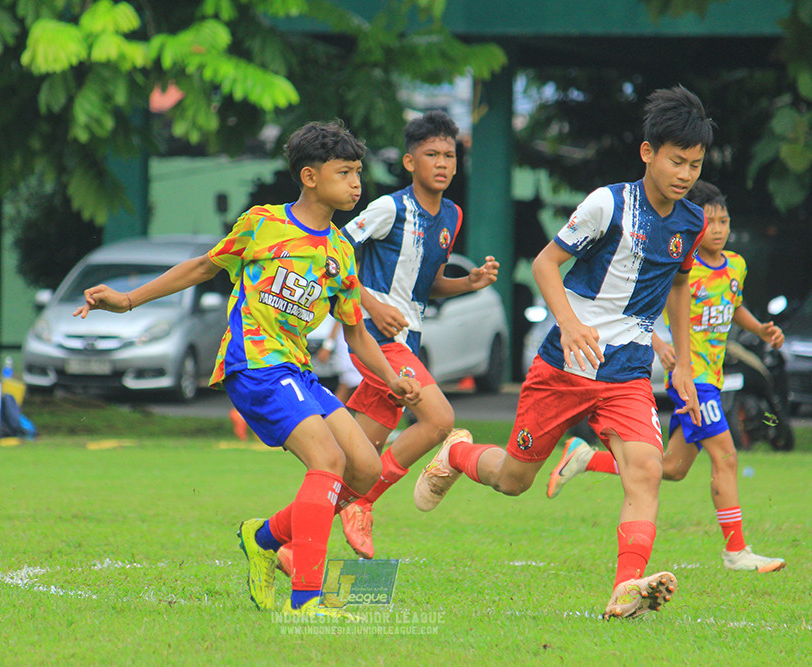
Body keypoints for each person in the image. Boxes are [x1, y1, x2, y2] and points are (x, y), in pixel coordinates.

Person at [73, 120, 421, 617]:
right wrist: (128, 300)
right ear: (309, 176)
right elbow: (201, 267)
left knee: (365, 471)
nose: (356, 183)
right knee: (329, 462)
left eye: (358, 172)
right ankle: (306, 602)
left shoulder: (341, 252)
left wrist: (392, 380)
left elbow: (357, 334)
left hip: (297, 373)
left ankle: (262, 538)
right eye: (344, 172)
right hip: (254, 366)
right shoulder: (262, 224)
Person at [412, 85, 713, 620]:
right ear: (648, 153)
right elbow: (547, 263)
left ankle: (626, 588)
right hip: (565, 366)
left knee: (644, 469)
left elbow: (679, 286)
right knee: (514, 480)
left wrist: (683, 361)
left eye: (695, 164)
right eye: (677, 161)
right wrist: (570, 326)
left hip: (627, 372)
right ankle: (456, 453)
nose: (686, 174)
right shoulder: (608, 203)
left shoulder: (691, 223)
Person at [546, 180, 787, 574]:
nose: (718, 229)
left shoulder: (735, 265)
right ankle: (737, 552)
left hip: (711, 376)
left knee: (671, 468)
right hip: (692, 380)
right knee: (726, 456)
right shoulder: (681, 270)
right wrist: (660, 344)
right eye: (710, 222)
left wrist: (760, 329)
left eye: (724, 221)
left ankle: (586, 458)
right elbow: (643, 309)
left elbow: (735, 304)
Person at [332, 110, 498, 560]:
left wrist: (469, 282)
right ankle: (363, 506)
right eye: (431, 155)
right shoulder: (390, 209)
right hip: (376, 336)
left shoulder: (452, 215)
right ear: (410, 162)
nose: (442, 163)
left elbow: (429, 282)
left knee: (353, 460)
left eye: (449, 155)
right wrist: (371, 304)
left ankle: (282, 538)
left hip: (410, 340)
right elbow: (333, 255)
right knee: (439, 421)